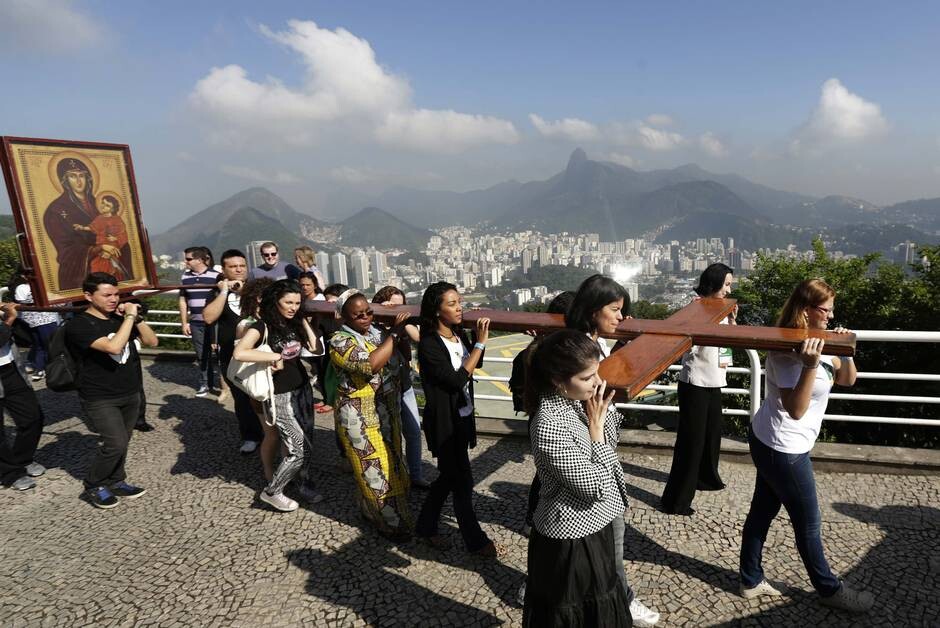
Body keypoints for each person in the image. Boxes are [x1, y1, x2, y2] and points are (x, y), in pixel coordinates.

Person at [739, 278, 873, 613]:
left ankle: (750, 580)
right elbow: (796, 410)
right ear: (805, 310)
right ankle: (829, 589)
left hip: (775, 440)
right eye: (823, 310)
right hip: (782, 446)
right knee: (809, 524)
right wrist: (812, 365)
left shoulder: (820, 339)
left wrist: (843, 348)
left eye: (831, 310)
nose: (829, 316)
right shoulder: (786, 350)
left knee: (762, 512)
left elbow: (847, 379)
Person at [566, 274, 660, 627]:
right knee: (612, 534)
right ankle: (624, 601)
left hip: (599, 447)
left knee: (587, 540)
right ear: (593, 312)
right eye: (615, 310)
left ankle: (546, 588)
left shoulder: (594, 345)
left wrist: (623, 344)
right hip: (590, 451)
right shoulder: (576, 351)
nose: (621, 317)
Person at [522, 330, 631, 627]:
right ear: (558, 380)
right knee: (573, 614)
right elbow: (594, 487)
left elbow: (612, 440)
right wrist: (596, 432)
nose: (596, 383)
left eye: (596, 373)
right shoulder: (548, 424)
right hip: (569, 540)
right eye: (587, 378)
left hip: (596, 526)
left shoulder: (577, 400)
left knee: (600, 605)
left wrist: (601, 420)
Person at [414, 282, 502, 557]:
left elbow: (476, 363)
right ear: (437, 310)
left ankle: (426, 527)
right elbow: (454, 380)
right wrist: (480, 342)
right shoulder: (429, 344)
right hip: (444, 423)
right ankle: (475, 541)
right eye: (451, 304)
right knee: (462, 483)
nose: (459, 307)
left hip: (462, 417)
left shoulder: (458, 334)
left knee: (448, 479)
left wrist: (476, 338)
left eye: (459, 302)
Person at [65, 272, 158, 509]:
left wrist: (136, 318)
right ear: (88, 296)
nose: (113, 299)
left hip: (129, 391)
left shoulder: (120, 319)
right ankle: (94, 483)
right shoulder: (79, 325)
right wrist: (128, 317)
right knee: (114, 442)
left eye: (116, 294)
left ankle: (117, 480)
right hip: (99, 396)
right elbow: (113, 346)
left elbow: (152, 341)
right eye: (107, 295)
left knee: (124, 441)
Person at [329, 289, 414, 540]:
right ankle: (392, 525)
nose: (365, 318)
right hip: (358, 417)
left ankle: (370, 509)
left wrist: (396, 331)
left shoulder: (380, 332)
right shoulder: (339, 340)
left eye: (369, 312)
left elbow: (403, 359)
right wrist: (396, 333)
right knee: (375, 470)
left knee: (394, 462)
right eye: (358, 315)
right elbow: (369, 365)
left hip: (386, 411)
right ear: (344, 317)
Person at [233, 279, 320, 512]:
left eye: (297, 302)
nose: (293, 307)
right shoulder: (261, 326)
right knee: (296, 448)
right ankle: (272, 491)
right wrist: (273, 358)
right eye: (288, 302)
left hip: (302, 389)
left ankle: (302, 482)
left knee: (308, 442)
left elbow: (315, 348)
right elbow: (240, 352)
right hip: (278, 394)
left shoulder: (294, 323)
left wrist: (302, 319)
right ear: (275, 302)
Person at [661, 263, 736, 516]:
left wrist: (732, 320)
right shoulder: (697, 307)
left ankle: (707, 479)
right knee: (691, 442)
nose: (728, 289)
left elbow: (728, 344)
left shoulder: (724, 310)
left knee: (712, 434)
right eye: (726, 284)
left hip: (715, 379)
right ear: (713, 283)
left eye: (730, 285)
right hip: (695, 382)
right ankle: (676, 500)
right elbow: (686, 344)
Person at [507, 290, 575, 536]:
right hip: (551, 415)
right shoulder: (551, 349)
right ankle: (535, 519)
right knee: (548, 472)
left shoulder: (541, 346)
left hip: (539, 414)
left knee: (547, 471)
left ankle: (536, 518)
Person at [202, 249, 265, 454]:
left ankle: (271, 432)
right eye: (233, 266)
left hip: (260, 353)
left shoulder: (258, 290)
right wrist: (223, 291)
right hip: (231, 354)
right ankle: (250, 435)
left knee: (264, 394)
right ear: (224, 269)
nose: (238, 269)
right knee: (241, 397)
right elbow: (209, 318)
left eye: (242, 265)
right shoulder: (216, 292)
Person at [42, 157, 130, 291]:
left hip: (112, 269)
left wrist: (114, 243)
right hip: (80, 277)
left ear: (88, 178)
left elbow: (119, 233)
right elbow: (65, 251)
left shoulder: (102, 205)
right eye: (72, 176)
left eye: (82, 176)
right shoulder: (56, 210)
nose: (78, 181)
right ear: (65, 181)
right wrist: (98, 249)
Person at [372, 285, 429, 489]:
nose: (398, 310)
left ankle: (415, 475)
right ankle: (392, 476)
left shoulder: (404, 324)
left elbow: (420, 339)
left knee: (413, 431)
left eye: (401, 305)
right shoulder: (372, 327)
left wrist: (402, 323)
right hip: (383, 388)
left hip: (403, 384)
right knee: (388, 433)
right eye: (392, 305)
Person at [0, 303, 46, 491]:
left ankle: (22, 459)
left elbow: (25, 337)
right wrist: (10, 319)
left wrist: (13, 317)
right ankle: (9, 473)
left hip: (11, 370)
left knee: (33, 417)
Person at [179, 246, 221, 397]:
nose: (186, 261)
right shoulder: (185, 277)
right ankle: (205, 383)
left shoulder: (217, 276)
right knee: (201, 355)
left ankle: (226, 385)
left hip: (215, 322)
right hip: (196, 322)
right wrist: (184, 322)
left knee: (221, 353)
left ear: (199, 260)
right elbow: (183, 300)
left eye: (189, 259)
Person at [8, 267, 60, 381]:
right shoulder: (22, 287)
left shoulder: (26, 286)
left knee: (40, 345)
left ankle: (39, 368)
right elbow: (24, 301)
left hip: (41, 319)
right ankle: (50, 369)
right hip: (42, 319)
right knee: (49, 345)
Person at [73, 194, 130, 279]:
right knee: (95, 264)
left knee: (109, 266)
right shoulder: (99, 218)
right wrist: (82, 227)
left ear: (113, 209)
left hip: (113, 247)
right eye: (103, 203)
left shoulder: (117, 220)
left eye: (107, 205)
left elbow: (124, 235)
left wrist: (116, 238)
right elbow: (92, 227)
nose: (103, 206)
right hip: (100, 247)